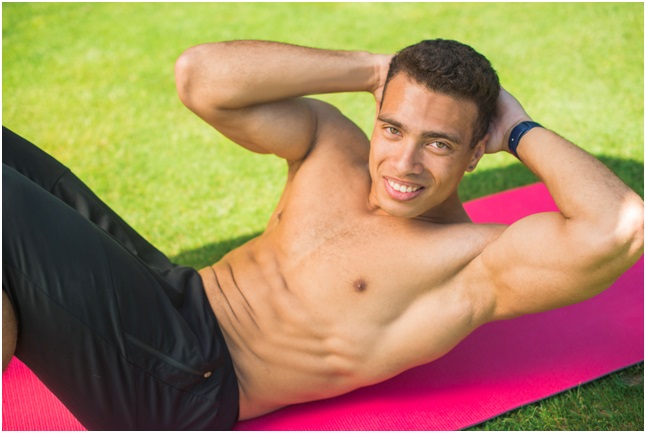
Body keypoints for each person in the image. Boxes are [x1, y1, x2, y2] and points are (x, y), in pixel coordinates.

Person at [3, 39, 643, 430]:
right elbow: (201, 77)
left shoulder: (468, 264)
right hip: (168, 292)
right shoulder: (333, 144)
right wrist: (374, 69)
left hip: (182, 378)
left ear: (478, 151)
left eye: (439, 143)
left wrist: (520, 130)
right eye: (393, 128)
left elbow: (619, 228)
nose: (403, 163)